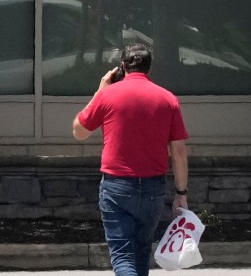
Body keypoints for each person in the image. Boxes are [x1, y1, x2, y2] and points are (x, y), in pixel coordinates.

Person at [73, 43, 189, 276]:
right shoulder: (168, 99)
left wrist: (99, 91)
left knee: (123, 255)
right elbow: (178, 152)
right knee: (141, 251)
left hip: (117, 186)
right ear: (149, 69)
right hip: (153, 187)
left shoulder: (107, 95)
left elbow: (79, 131)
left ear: (122, 67)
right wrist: (181, 194)